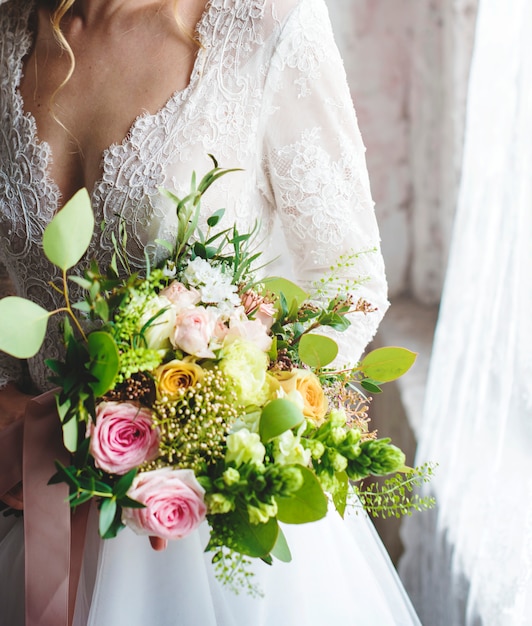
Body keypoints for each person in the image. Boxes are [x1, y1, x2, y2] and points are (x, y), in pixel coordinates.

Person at [0, 0, 421, 624]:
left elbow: (350, 281)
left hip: (202, 523)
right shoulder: (9, 34)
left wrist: (216, 414)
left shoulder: (266, 24)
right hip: (29, 490)